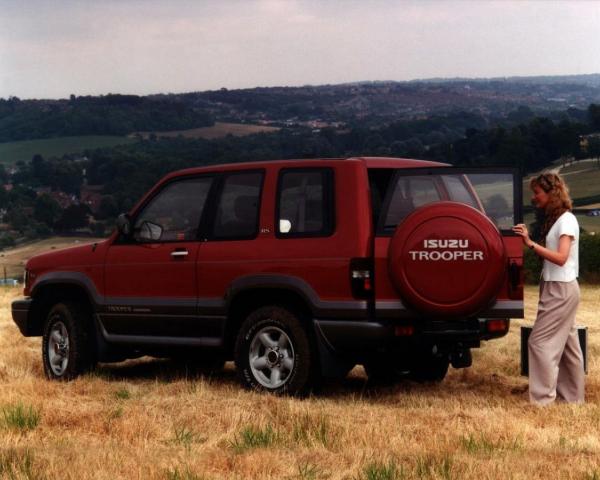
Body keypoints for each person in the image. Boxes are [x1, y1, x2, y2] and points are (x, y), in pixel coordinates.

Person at [512, 171, 584, 405]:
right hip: (558, 285)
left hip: (560, 288)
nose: (534, 197)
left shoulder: (566, 221)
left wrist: (530, 244)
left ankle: (542, 400)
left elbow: (561, 257)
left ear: (551, 193)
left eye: (537, 192)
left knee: (539, 342)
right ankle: (573, 399)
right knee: (568, 345)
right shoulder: (560, 220)